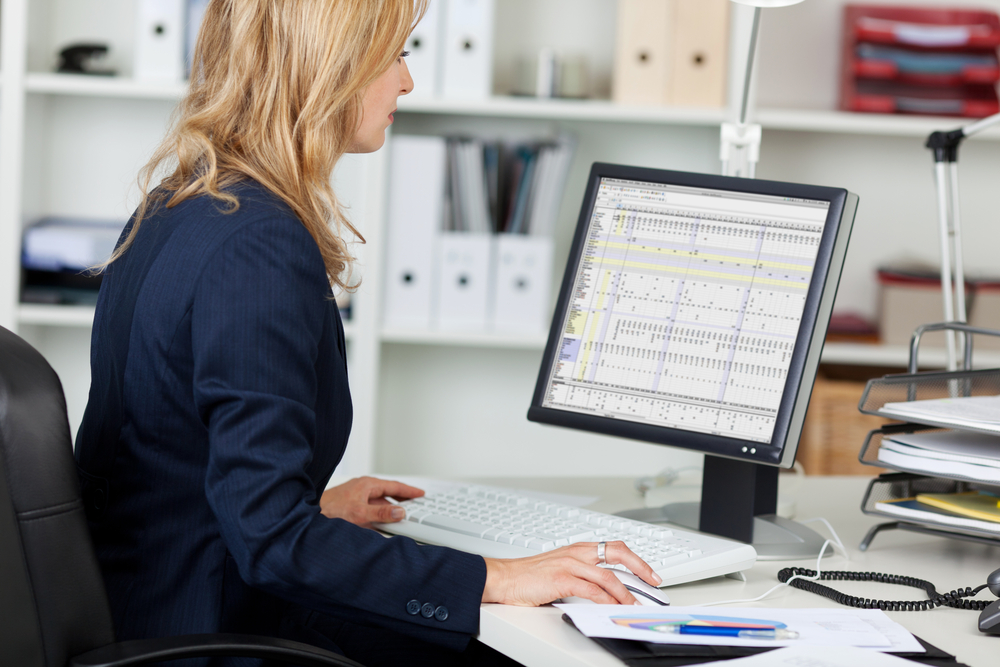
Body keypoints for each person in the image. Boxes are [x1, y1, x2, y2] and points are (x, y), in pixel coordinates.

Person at [74, 1, 660, 665]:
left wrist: (310, 507)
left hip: (151, 606)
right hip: (209, 633)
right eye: (396, 55)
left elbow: (158, 461)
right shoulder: (259, 246)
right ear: (329, 68)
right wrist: (502, 576)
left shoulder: (174, 206)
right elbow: (270, 542)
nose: (407, 82)